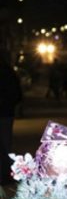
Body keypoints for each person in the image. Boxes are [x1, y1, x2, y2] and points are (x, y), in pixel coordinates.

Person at [1, 50, 23, 186]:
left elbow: (16, 94)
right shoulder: (8, 72)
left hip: (5, 114)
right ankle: (6, 174)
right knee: (4, 145)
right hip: (5, 114)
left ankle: (6, 174)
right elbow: (17, 94)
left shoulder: (7, 73)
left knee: (4, 145)